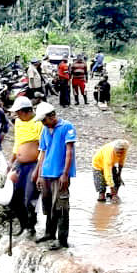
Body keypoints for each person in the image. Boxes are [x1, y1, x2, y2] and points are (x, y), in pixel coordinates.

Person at [33, 103, 76, 249]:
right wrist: (39, 175)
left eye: (44, 120)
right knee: (48, 204)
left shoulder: (67, 127)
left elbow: (69, 152)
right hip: (46, 173)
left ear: (52, 116)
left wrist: (65, 174)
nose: (43, 123)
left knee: (62, 206)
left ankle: (62, 240)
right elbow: (43, 153)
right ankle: (49, 233)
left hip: (59, 174)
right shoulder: (45, 130)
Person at [8, 95, 42, 233]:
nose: (17, 115)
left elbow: (42, 147)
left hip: (33, 164)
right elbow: (18, 141)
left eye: (18, 112)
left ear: (26, 111)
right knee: (13, 196)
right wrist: (12, 161)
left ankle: (31, 225)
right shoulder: (19, 122)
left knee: (29, 198)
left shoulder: (39, 122)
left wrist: (38, 169)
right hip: (19, 163)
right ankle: (23, 224)